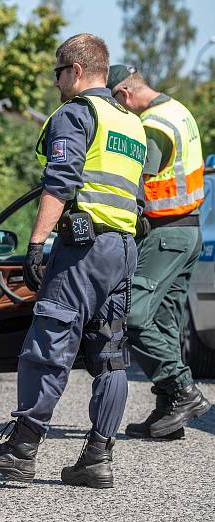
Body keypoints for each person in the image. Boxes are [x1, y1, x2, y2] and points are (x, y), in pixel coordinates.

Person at [0, 34, 146, 488]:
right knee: (110, 354)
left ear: (74, 69)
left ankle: (22, 446)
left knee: (50, 339)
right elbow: (136, 197)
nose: (55, 83)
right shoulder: (130, 123)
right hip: (124, 250)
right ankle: (97, 457)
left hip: (84, 251)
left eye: (56, 73)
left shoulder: (77, 114)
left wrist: (36, 242)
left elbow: (60, 181)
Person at [107, 65, 211, 440]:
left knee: (133, 317)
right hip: (188, 230)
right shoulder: (178, 111)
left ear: (123, 95)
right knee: (165, 323)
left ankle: (183, 391)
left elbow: (137, 183)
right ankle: (170, 411)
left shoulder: (152, 125)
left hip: (165, 233)